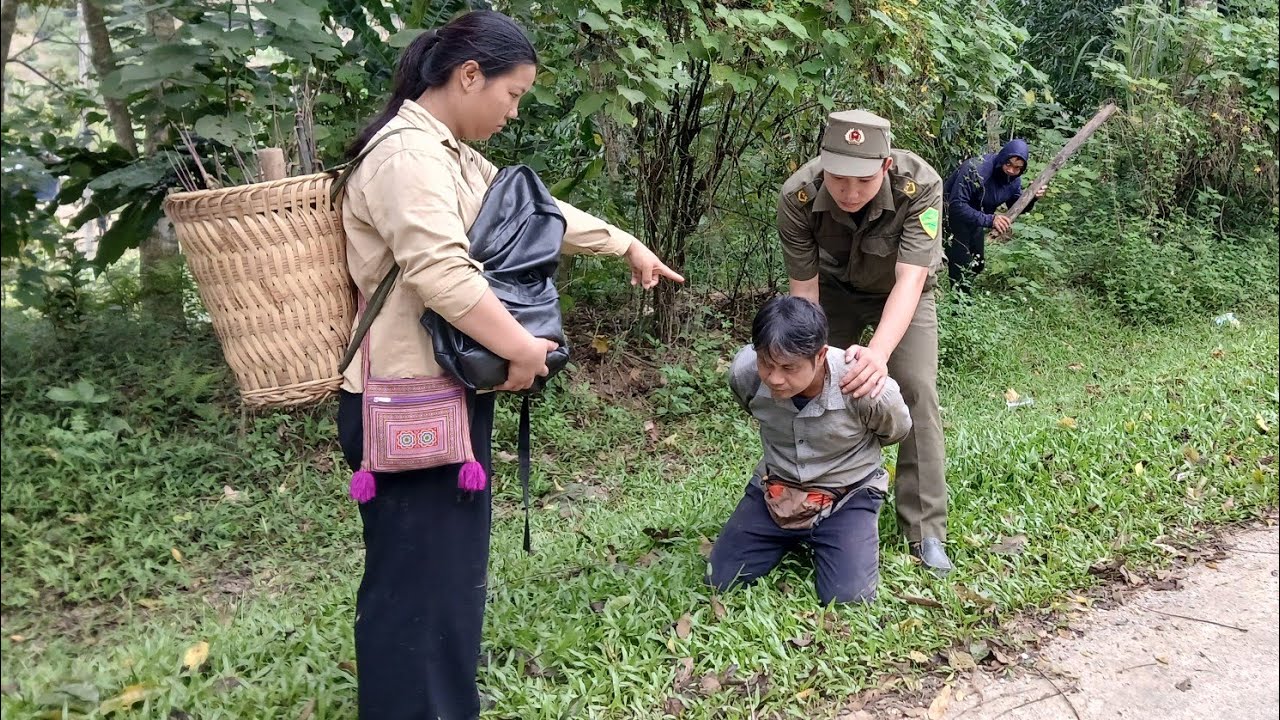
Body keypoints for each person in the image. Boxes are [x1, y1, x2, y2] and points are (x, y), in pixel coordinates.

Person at [335, 11, 683, 719]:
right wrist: (522, 349)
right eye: (513, 93)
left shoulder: (454, 155)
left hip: (446, 391)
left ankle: (445, 702)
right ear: (469, 76)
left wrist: (624, 245)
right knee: (417, 583)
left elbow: (535, 211)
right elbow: (440, 273)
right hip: (404, 399)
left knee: (449, 575)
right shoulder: (408, 157)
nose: (514, 108)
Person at [775, 109, 954, 574]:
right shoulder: (797, 196)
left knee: (915, 387)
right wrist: (807, 360)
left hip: (900, 293)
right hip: (831, 294)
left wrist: (878, 355)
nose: (849, 193)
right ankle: (804, 507)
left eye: (862, 181)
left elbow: (911, 280)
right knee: (807, 386)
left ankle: (925, 530)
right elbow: (804, 292)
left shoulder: (922, 186)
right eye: (838, 180)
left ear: (886, 166)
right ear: (822, 164)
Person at [707, 297, 912, 604]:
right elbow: (750, 402)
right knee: (720, 579)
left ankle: (834, 533)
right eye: (767, 363)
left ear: (820, 356)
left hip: (847, 494)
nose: (775, 378)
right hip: (777, 486)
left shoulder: (865, 385)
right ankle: (788, 534)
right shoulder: (745, 373)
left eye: (789, 367)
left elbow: (895, 430)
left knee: (848, 599)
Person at [941, 139, 1047, 291]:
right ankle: (959, 306)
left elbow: (1016, 206)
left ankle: (962, 294)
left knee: (977, 264)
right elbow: (956, 205)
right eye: (1008, 164)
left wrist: (1031, 197)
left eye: (1017, 168)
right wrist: (991, 219)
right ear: (1002, 158)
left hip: (976, 220)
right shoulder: (976, 169)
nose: (1011, 170)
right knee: (961, 267)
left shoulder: (1014, 180)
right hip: (952, 217)